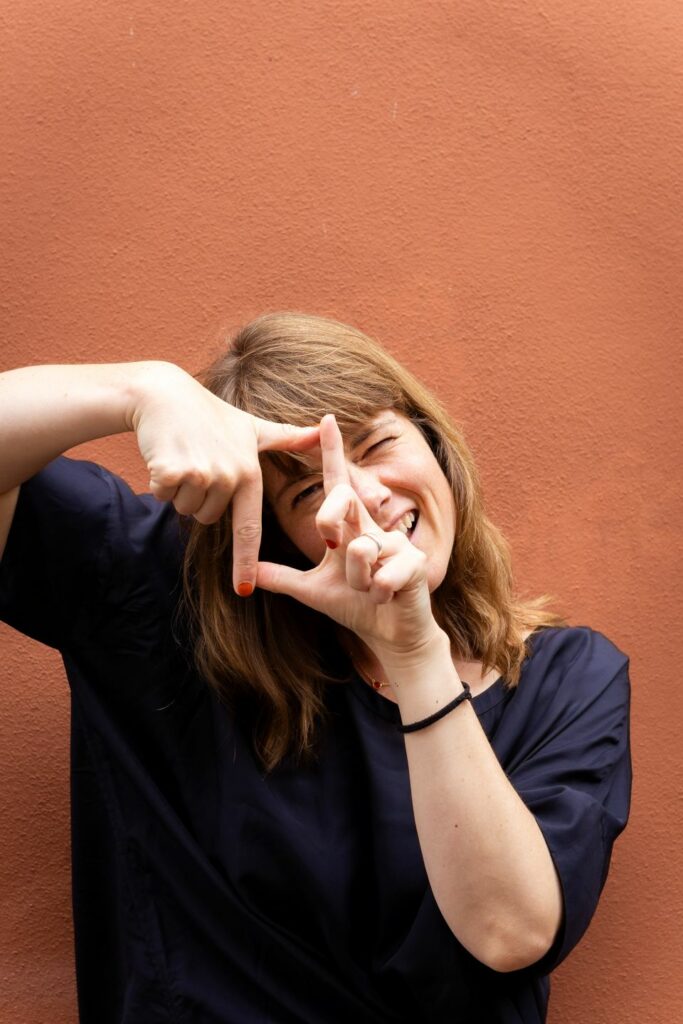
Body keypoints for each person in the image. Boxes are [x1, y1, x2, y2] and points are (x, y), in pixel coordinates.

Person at [0, 312, 631, 1024]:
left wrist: (412, 650)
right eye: (305, 492)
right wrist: (139, 389)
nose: (359, 497)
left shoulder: (567, 678)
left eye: (377, 444)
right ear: (270, 534)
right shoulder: (168, 605)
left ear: (433, 443)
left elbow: (508, 934)